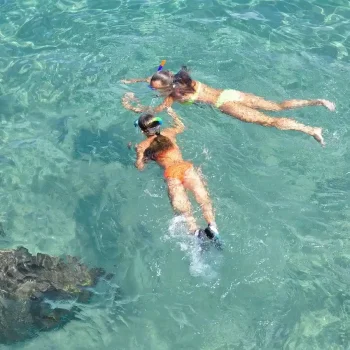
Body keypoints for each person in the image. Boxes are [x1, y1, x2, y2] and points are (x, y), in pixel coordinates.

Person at [121, 66, 336, 146]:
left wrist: (131, 106)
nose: (154, 90)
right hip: (229, 92)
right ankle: (317, 101)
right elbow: (157, 77)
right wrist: (136, 81)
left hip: (225, 104)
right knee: (277, 106)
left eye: (155, 88)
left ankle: (311, 130)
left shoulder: (173, 97)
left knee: (269, 121)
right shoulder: (183, 78)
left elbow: (153, 114)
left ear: (166, 87)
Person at [132, 108, 220, 244]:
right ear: (158, 125)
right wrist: (172, 113)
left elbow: (140, 167)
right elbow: (181, 126)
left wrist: (138, 153)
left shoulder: (143, 145)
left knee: (182, 207)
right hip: (186, 167)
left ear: (144, 131)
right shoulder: (169, 132)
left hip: (172, 172)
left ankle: (196, 232)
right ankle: (212, 226)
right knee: (202, 197)